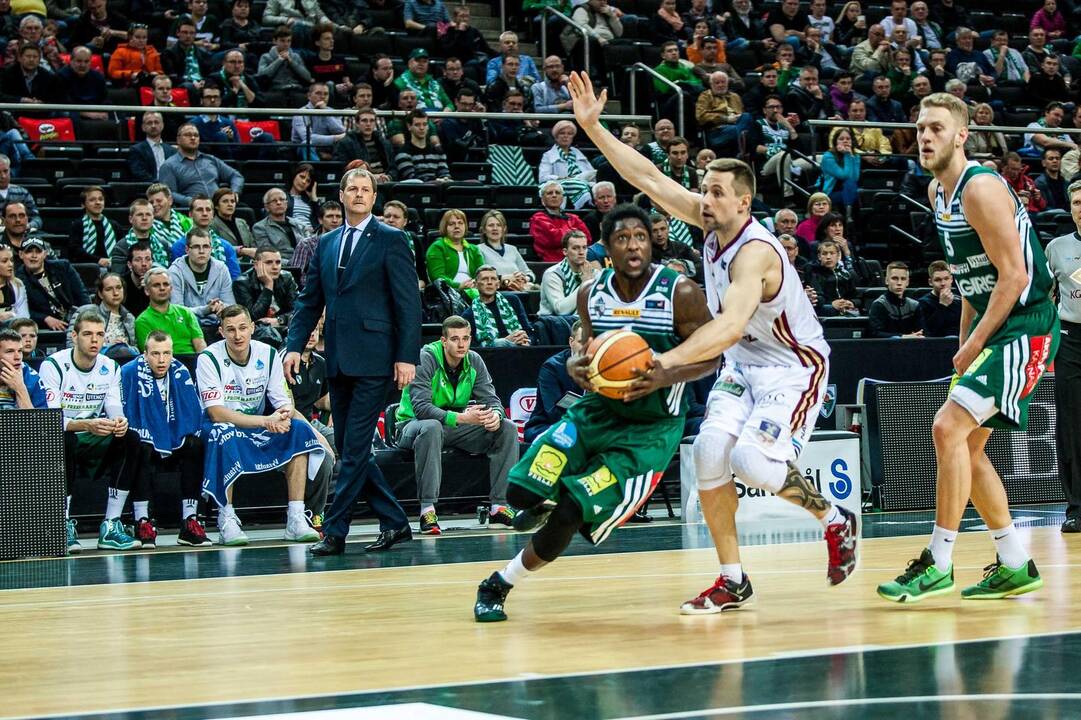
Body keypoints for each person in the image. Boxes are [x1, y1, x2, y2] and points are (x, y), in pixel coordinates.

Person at [561, 72, 859, 616]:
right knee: (708, 453)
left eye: (716, 191)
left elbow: (725, 325)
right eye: (704, 186)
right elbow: (649, 177)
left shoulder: (756, 253)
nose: (704, 196)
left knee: (751, 458)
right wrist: (593, 128)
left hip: (795, 366)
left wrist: (666, 358)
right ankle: (732, 579)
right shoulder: (710, 222)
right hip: (746, 363)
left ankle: (836, 519)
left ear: (743, 204)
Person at [472, 197, 720, 622]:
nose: (634, 245)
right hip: (597, 413)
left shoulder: (680, 292)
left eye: (641, 237)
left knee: (572, 510)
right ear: (607, 246)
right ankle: (542, 499)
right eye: (622, 238)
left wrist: (666, 374)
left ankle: (499, 582)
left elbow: (712, 356)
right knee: (519, 494)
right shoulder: (591, 293)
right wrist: (575, 366)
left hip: (649, 432)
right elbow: (586, 351)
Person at [875, 93, 1059, 602]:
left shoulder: (979, 187)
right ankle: (1016, 561)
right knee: (967, 448)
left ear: (961, 135)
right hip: (994, 325)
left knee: (946, 428)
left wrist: (976, 342)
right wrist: (965, 346)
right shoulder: (939, 193)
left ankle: (937, 560)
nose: (925, 137)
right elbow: (970, 283)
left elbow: (1015, 275)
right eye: (918, 129)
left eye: (935, 128)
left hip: (1027, 324)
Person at [284, 168, 421, 556]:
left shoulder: (393, 239)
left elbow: (408, 304)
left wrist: (407, 356)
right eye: (353, 189)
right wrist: (294, 345)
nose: (359, 195)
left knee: (355, 449)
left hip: (377, 360)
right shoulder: (325, 243)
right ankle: (395, 522)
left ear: (374, 197)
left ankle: (334, 530)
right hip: (338, 360)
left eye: (366, 189)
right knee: (349, 448)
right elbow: (310, 300)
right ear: (341, 196)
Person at [197, 304, 325, 545]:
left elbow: (283, 401)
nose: (238, 335)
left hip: (258, 425)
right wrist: (266, 421)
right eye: (231, 329)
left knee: (298, 429)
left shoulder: (267, 354)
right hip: (221, 426)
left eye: (243, 328)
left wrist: (283, 415)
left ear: (253, 328)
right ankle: (227, 519)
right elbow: (215, 413)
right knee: (223, 433)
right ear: (221, 332)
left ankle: (296, 517)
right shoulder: (208, 358)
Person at [395, 314, 520, 533]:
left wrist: (495, 416)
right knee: (432, 426)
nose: (461, 344)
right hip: (411, 425)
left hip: (451, 426)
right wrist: (462, 418)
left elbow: (492, 401)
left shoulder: (474, 361)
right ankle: (427, 510)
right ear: (444, 341)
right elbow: (422, 408)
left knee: (507, 427)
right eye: (455, 339)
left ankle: (499, 506)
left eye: (466, 338)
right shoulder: (426, 358)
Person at [39, 309, 138, 554]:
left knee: (131, 438)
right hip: (61, 436)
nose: (94, 340)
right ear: (74, 336)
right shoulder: (53, 365)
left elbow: (114, 406)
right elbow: (50, 419)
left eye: (99, 334)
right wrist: (86, 425)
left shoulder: (110, 366)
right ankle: (62, 522)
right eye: (87, 334)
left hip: (94, 434)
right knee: (65, 438)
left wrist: (119, 421)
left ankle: (111, 525)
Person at [119, 330, 210, 547]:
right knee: (141, 444)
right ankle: (142, 520)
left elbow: (192, 412)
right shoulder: (130, 371)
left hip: (173, 437)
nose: (161, 360)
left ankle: (190, 521)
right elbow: (125, 410)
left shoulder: (180, 372)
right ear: (144, 353)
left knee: (195, 444)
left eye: (167, 353)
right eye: (155, 354)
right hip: (143, 439)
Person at [1045, 180, 1081, 532]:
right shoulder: (1056, 248)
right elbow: (1044, 294)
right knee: (1071, 426)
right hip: (1070, 340)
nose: (1080, 207)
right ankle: (1076, 508)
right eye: (1076, 201)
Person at [522, 320, 584, 443]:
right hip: (547, 425)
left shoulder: (602, 367)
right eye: (582, 342)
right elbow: (553, 412)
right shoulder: (552, 367)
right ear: (571, 342)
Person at [157, 124, 245, 209]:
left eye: (196, 135)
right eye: (188, 135)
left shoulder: (210, 160)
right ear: (178, 140)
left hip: (218, 208)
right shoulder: (169, 165)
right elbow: (168, 193)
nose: (192, 138)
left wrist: (234, 192)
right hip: (192, 211)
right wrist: (191, 201)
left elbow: (236, 176)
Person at [168, 227, 234, 336]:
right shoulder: (175, 271)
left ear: (211, 249)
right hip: (188, 328)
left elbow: (231, 305)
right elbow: (177, 311)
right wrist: (205, 310)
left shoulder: (222, 269)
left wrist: (221, 307)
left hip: (218, 327)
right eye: (196, 247)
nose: (202, 251)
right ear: (187, 249)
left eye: (206, 246)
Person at [17, 238, 89, 332]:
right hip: (44, 328)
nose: (34, 256)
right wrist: (45, 318)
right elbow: (20, 311)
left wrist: (86, 318)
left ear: (45, 254)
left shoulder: (63, 267)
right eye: (29, 252)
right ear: (21, 254)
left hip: (75, 320)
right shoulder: (18, 280)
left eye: (38, 252)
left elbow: (82, 295)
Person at [135, 266, 207, 353]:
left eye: (166, 284)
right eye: (156, 285)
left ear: (171, 288)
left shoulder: (185, 313)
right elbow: (151, 354)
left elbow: (200, 344)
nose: (162, 288)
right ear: (147, 290)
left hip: (193, 362)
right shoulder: (143, 321)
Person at [232, 246, 298, 341]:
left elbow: (297, 309)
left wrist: (279, 319)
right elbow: (251, 317)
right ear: (256, 265)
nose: (275, 267)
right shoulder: (242, 283)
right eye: (269, 262)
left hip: (283, 327)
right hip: (256, 333)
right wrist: (268, 286)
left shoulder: (287, 278)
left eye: (278, 262)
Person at [67, 272, 139, 358]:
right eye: (109, 289)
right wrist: (109, 346)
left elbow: (136, 349)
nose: (115, 293)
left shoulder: (129, 318)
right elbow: (71, 344)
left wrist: (126, 345)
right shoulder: (85, 311)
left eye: (119, 288)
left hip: (124, 358)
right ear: (100, 294)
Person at [460, 266, 532, 348]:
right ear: (476, 284)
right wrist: (503, 342)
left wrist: (526, 340)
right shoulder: (468, 315)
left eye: (493, 279)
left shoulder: (513, 301)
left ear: (498, 284)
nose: (489, 282)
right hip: (491, 356)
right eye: (484, 279)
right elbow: (472, 346)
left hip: (522, 350)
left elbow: (528, 331)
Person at [539, 120, 596, 210]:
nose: (566, 136)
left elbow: (591, 173)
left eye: (569, 134)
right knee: (575, 184)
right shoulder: (548, 155)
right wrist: (561, 178)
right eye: (562, 133)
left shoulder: (577, 152)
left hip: (583, 182)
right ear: (556, 136)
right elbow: (542, 177)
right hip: (562, 185)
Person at [530, 182, 592, 262]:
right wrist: (574, 231)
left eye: (558, 193)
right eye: (549, 193)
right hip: (551, 263)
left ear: (562, 198)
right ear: (542, 200)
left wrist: (564, 232)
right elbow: (554, 239)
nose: (554, 195)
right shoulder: (538, 218)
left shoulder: (573, 218)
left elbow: (587, 238)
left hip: (577, 261)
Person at [539, 229, 594, 317]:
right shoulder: (552, 274)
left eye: (584, 247)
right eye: (575, 248)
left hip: (583, 322)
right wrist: (584, 285)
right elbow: (561, 310)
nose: (581, 252)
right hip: (554, 324)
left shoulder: (594, 273)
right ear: (565, 251)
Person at [477, 209, 535, 291]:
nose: (495, 228)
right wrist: (506, 278)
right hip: (498, 291)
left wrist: (524, 278)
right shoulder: (478, 249)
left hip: (520, 288)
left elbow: (530, 274)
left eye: (499, 225)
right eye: (491, 225)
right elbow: (480, 277)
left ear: (504, 229)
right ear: (484, 230)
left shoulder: (512, 249)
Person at [425, 208, 483, 289]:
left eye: (460, 223)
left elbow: (482, 273)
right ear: (445, 227)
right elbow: (437, 277)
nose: (457, 226)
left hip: (474, 289)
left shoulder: (474, 249)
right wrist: (458, 286)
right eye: (451, 224)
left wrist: (475, 283)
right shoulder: (437, 248)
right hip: (448, 293)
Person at [333, 109, 395, 182]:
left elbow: (393, 168)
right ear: (357, 123)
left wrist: (388, 177)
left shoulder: (385, 143)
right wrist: (371, 178)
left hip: (385, 183)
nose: (368, 124)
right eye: (364, 120)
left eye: (372, 121)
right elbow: (343, 170)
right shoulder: (345, 143)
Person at [64, 186, 118, 268]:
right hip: (87, 268)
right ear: (83, 205)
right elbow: (75, 250)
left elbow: (121, 250)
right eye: (92, 200)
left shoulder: (114, 225)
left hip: (112, 267)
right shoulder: (78, 225)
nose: (98, 202)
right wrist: (98, 260)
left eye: (101, 199)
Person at [257, 25, 311, 106]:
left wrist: (291, 62)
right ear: (275, 41)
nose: (286, 44)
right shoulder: (266, 57)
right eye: (282, 41)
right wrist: (279, 60)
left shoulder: (296, 56)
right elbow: (261, 75)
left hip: (296, 89)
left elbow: (307, 77)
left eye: (288, 41)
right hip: (276, 90)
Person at [292, 82, 347, 161]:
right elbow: (307, 138)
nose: (322, 97)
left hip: (329, 148)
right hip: (307, 149)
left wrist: (325, 113)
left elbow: (340, 131)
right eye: (318, 93)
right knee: (306, 144)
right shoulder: (300, 113)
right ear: (309, 96)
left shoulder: (333, 111)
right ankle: (317, 170)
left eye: (326, 94)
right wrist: (335, 138)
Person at [867, 261, 923, 337]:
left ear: (907, 282)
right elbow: (876, 333)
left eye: (903, 279)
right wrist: (903, 337)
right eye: (894, 278)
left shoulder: (914, 305)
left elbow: (922, 331)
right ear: (886, 280)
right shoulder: (879, 305)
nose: (899, 283)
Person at [394, 109, 452, 183]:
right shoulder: (403, 153)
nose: (422, 128)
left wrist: (445, 179)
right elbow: (412, 179)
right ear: (409, 126)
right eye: (417, 125)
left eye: (425, 124)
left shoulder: (438, 151)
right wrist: (435, 182)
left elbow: (444, 173)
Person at [252, 188, 308, 263]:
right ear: (266, 207)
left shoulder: (300, 224)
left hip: (305, 264)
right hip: (281, 266)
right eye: (274, 201)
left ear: (286, 204)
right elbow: (267, 254)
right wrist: (292, 263)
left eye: (282, 199)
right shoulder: (260, 227)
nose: (279, 203)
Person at [0, 326, 46, 410]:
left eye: (20, 351)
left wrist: (20, 388)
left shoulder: (32, 378)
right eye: (10, 351)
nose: (17, 357)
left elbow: (40, 421)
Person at [819, 127, 860, 212]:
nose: (845, 141)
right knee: (851, 188)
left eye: (848, 139)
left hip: (848, 190)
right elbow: (843, 176)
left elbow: (855, 177)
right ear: (835, 142)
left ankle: (849, 213)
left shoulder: (856, 156)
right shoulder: (828, 156)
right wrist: (847, 155)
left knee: (851, 185)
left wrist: (851, 157)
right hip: (831, 192)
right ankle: (849, 213)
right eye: (841, 139)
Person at [129, 112, 176, 183]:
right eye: (149, 123)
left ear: (162, 125)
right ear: (143, 127)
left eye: (156, 122)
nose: (153, 126)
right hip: (149, 189)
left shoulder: (172, 150)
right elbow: (139, 173)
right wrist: (159, 184)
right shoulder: (136, 150)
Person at [919, 259, 962, 337]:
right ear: (930, 282)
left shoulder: (960, 301)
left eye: (946, 279)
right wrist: (942, 305)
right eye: (938, 280)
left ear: (951, 279)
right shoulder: (923, 303)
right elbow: (928, 332)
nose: (943, 283)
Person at [0, 155, 41, 231]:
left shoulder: (22, 193)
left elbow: (37, 218)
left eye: (5, 171)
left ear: (10, 170)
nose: (3, 176)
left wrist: (28, 226)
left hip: (22, 235)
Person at [211, 188, 256, 258]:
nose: (230, 204)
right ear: (216, 206)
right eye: (225, 201)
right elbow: (217, 248)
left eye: (232, 201)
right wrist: (243, 251)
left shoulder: (242, 222)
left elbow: (253, 245)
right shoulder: (212, 225)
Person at [0, 244, 27, 324]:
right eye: (4, 261)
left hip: (12, 332)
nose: (10, 264)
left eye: (11, 260)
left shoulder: (17, 285)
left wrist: (12, 315)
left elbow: (24, 317)